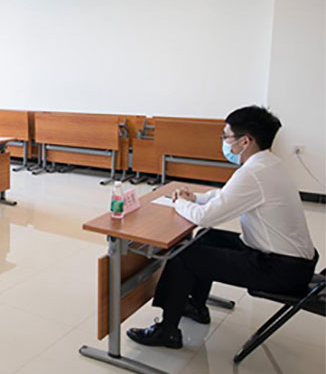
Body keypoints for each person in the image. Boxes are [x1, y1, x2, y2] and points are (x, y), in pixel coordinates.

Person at [127, 106, 317, 349]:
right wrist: (195, 198)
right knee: (206, 238)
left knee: (183, 255)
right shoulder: (268, 164)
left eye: (227, 137)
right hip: (292, 263)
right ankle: (196, 306)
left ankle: (167, 331)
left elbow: (205, 217)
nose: (225, 142)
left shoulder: (254, 173)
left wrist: (180, 202)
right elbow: (227, 196)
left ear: (245, 141)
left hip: (280, 271)